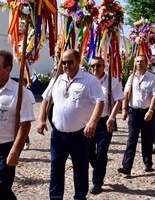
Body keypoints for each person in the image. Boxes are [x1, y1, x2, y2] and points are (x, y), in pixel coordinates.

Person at [36, 49, 104, 200]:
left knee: (80, 169)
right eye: (64, 62)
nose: (67, 65)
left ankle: (80, 196)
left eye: (70, 62)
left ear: (78, 61)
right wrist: (41, 119)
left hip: (80, 134)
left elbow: (100, 101)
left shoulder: (89, 80)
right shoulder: (57, 80)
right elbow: (46, 99)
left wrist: (93, 121)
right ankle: (55, 197)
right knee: (56, 168)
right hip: (58, 135)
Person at [0, 50, 35, 199]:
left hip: (5, 150)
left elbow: (25, 124)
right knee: (0, 189)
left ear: (7, 69)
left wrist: (15, 151)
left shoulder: (19, 93)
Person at [118, 55, 155, 175]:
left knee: (147, 139)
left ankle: (148, 163)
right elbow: (126, 94)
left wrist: (151, 111)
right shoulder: (132, 78)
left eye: (141, 61)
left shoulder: (152, 78)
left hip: (146, 111)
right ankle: (127, 166)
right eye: (137, 62)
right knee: (131, 139)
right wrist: (124, 109)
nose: (139, 64)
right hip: (134, 111)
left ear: (146, 63)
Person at [89, 57, 124, 194]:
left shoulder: (112, 82)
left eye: (98, 65)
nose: (95, 69)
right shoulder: (88, 81)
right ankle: (99, 168)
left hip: (105, 121)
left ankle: (97, 182)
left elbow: (118, 101)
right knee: (89, 151)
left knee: (102, 152)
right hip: (89, 121)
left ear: (104, 66)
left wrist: (112, 117)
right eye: (92, 66)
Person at [23, 78, 36, 150]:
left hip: (25, 112)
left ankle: (26, 141)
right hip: (17, 112)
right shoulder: (16, 91)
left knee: (24, 128)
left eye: (23, 83)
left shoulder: (28, 92)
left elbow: (32, 102)